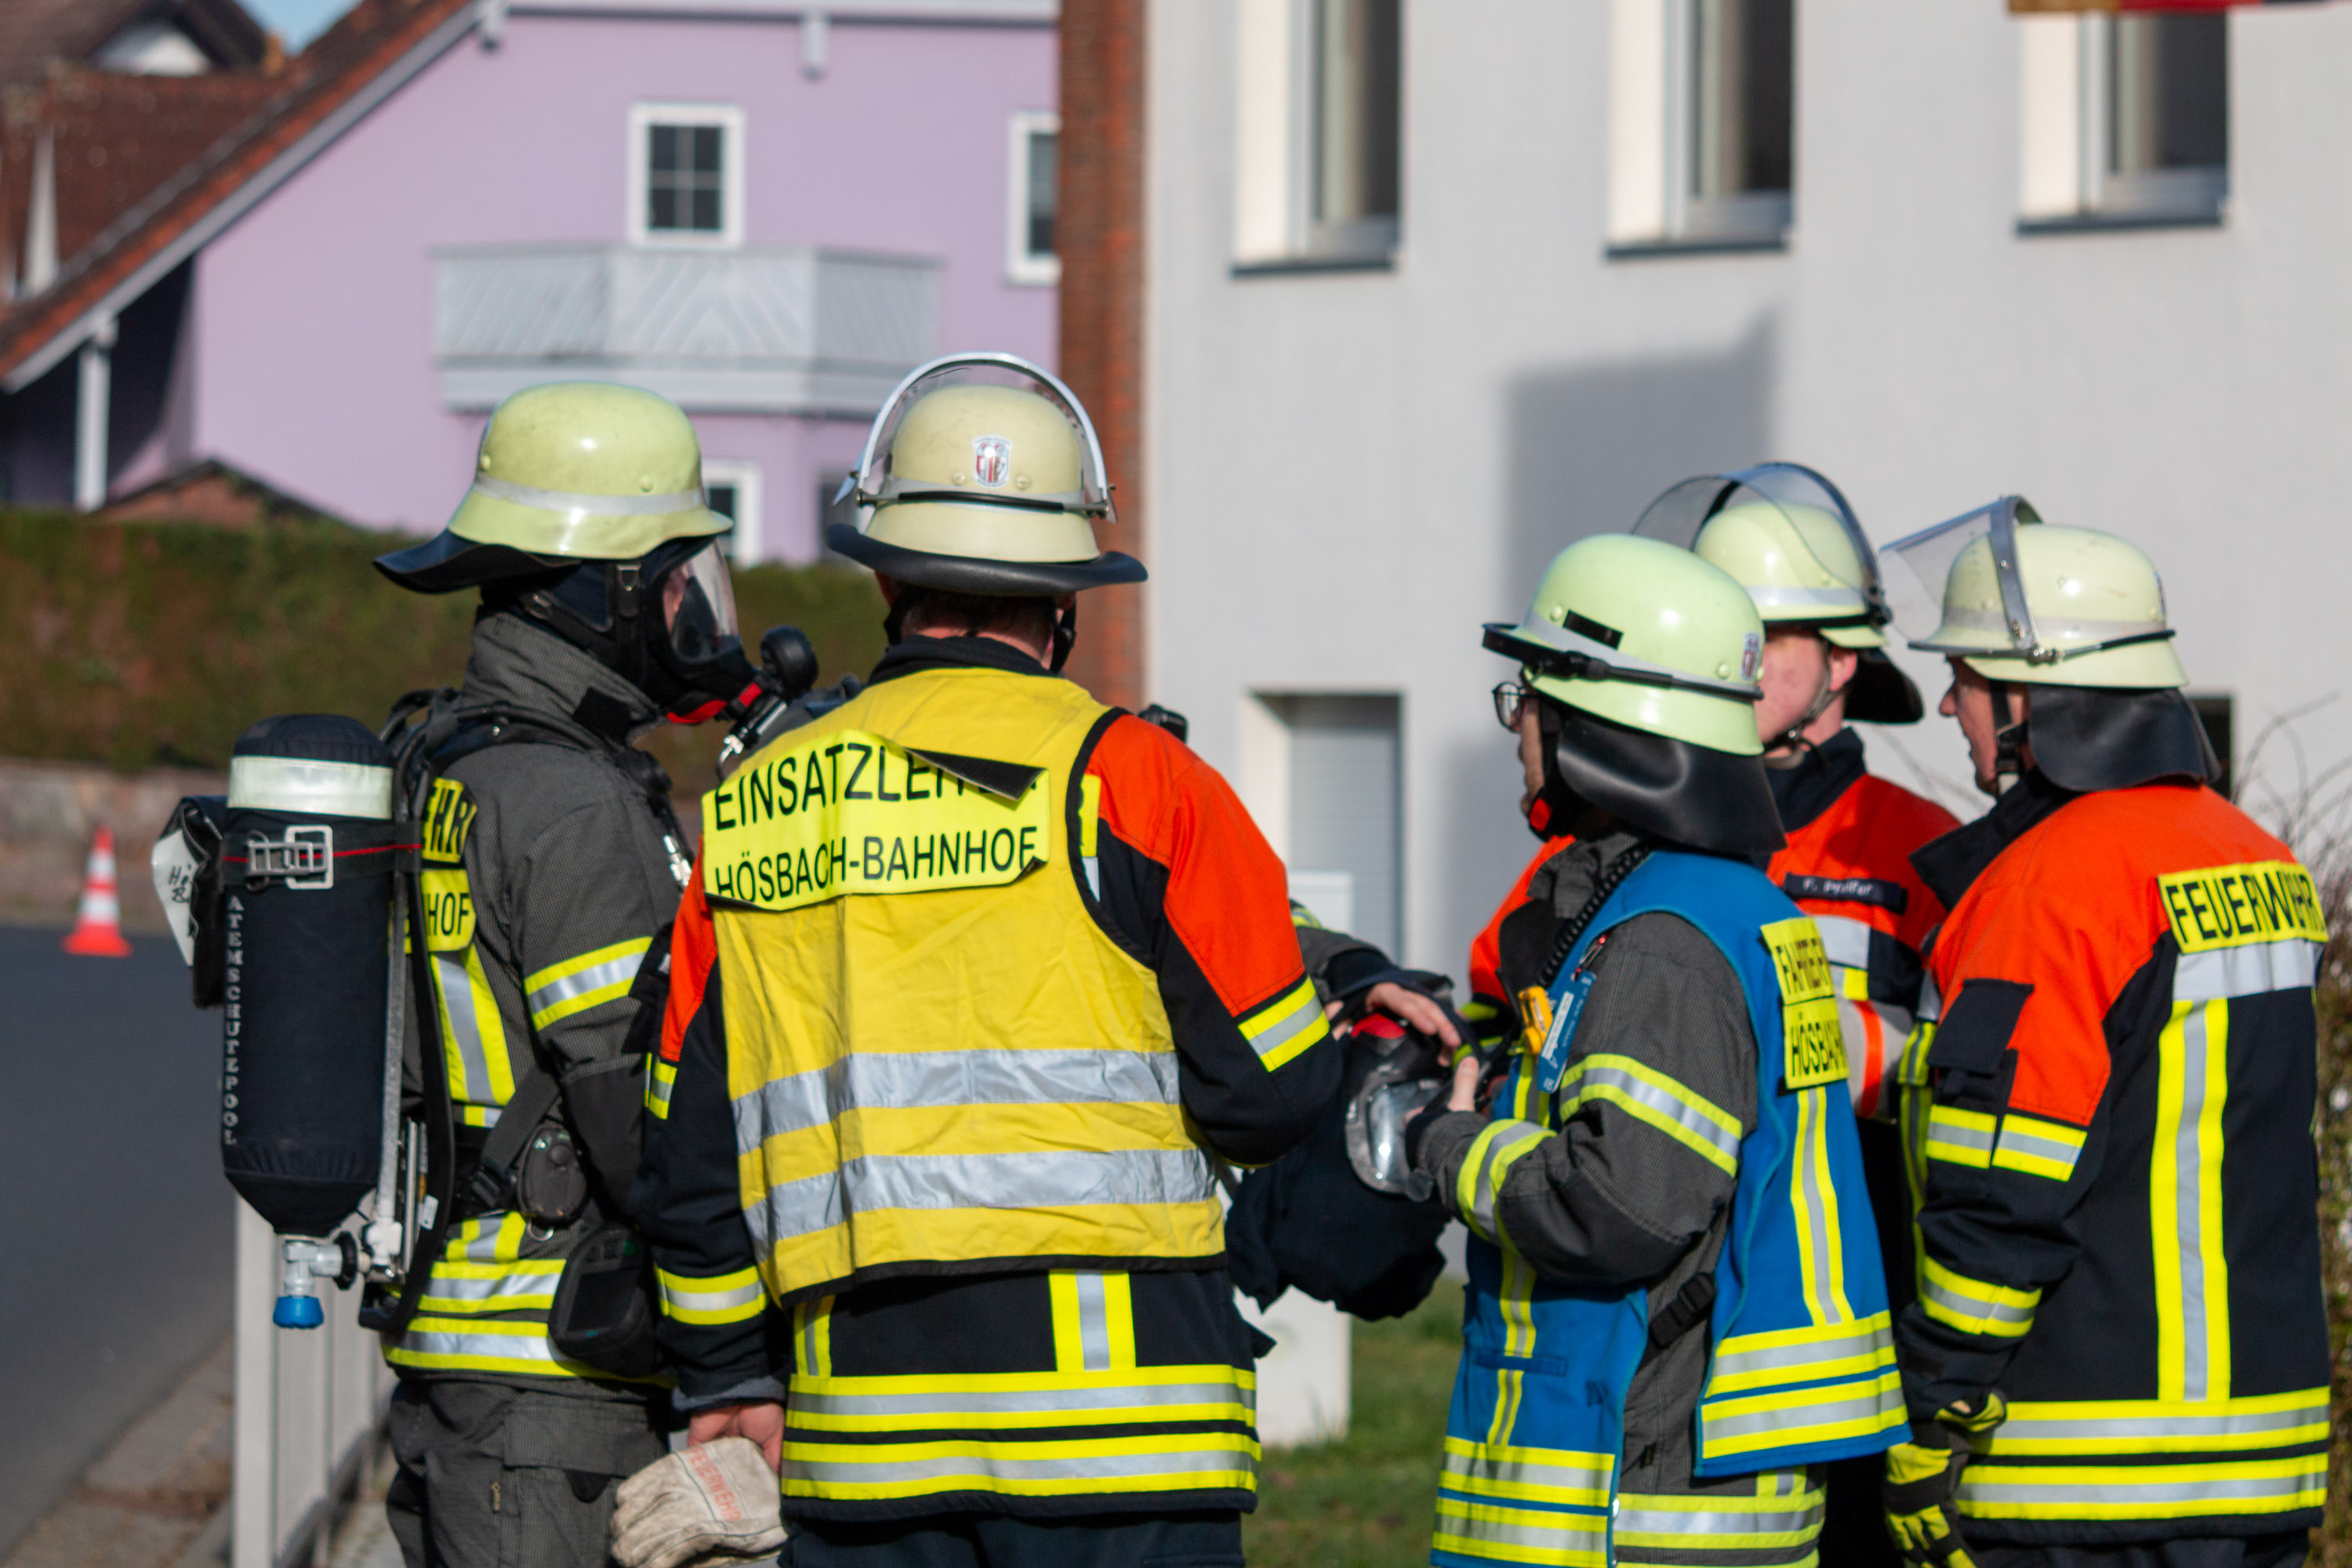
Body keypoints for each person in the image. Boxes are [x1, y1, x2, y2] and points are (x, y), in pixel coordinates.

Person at [632, 354, 1343, 1567]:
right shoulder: (1143, 783)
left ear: (889, 578)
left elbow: (688, 1153)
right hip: (1128, 1447)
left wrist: (727, 1378)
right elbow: (1270, 1092)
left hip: (864, 1449)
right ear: (1064, 599)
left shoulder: (754, 810)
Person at [1408, 532, 1905, 1568]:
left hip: (1640, 1496)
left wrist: (1449, 1145)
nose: (1515, 730)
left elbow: (1623, 1207)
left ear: (1604, 717)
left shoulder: (1666, 939)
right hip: (1678, 1476)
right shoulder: (1717, 909)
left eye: (1529, 698)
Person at [1875, 501, 2328, 1568]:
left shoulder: (2047, 884)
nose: (1950, 704)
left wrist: (1933, 1411)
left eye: (1972, 681)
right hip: (2262, 1464)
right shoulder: (2257, 859)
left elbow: (2003, 1190)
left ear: (2036, 697)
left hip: (2083, 1475)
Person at [370, 381, 761, 1568]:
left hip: (465, 1369)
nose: (699, 613)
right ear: (607, 591)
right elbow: (639, 1119)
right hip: (560, 1387)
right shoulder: (571, 803)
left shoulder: (441, 753)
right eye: (681, 579)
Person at [1644, 463, 1963, 1564]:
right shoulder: (1643, 839)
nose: (1732, 660)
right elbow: (1509, 984)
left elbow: (1975, 1068)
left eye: (1763, 635)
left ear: (1841, 663)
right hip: (1674, 1288)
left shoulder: (1917, 845)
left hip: (1863, 1286)